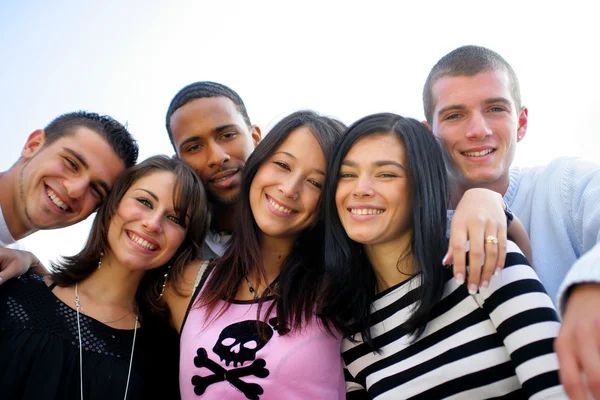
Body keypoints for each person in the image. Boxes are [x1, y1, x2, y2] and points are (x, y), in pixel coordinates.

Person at [321, 113, 565, 399]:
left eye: (386, 174)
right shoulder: (351, 332)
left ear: (423, 190)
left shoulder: (486, 262)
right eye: (347, 175)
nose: (360, 189)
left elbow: (561, 389)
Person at [422, 45, 600, 399]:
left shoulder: (563, 186)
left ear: (521, 123)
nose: (478, 129)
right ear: (430, 135)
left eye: (495, 109)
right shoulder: (410, 231)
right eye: (455, 115)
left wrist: (590, 286)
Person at [164, 110, 347, 399]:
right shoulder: (186, 285)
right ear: (258, 164)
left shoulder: (343, 292)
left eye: (315, 183)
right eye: (283, 165)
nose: (288, 189)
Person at [0, 155, 209, 399]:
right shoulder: (14, 292)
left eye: (175, 219)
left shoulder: (168, 352)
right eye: (144, 201)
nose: (153, 224)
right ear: (113, 204)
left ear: (183, 243)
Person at [0, 110, 139, 282]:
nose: (75, 190)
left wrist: (33, 264)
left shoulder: (16, 264)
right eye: (72, 164)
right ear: (33, 146)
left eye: (96, 189)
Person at [166, 81, 261, 260]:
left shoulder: (306, 230)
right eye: (194, 147)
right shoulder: (169, 252)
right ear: (179, 162)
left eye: (227, 135)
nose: (217, 157)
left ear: (255, 138)